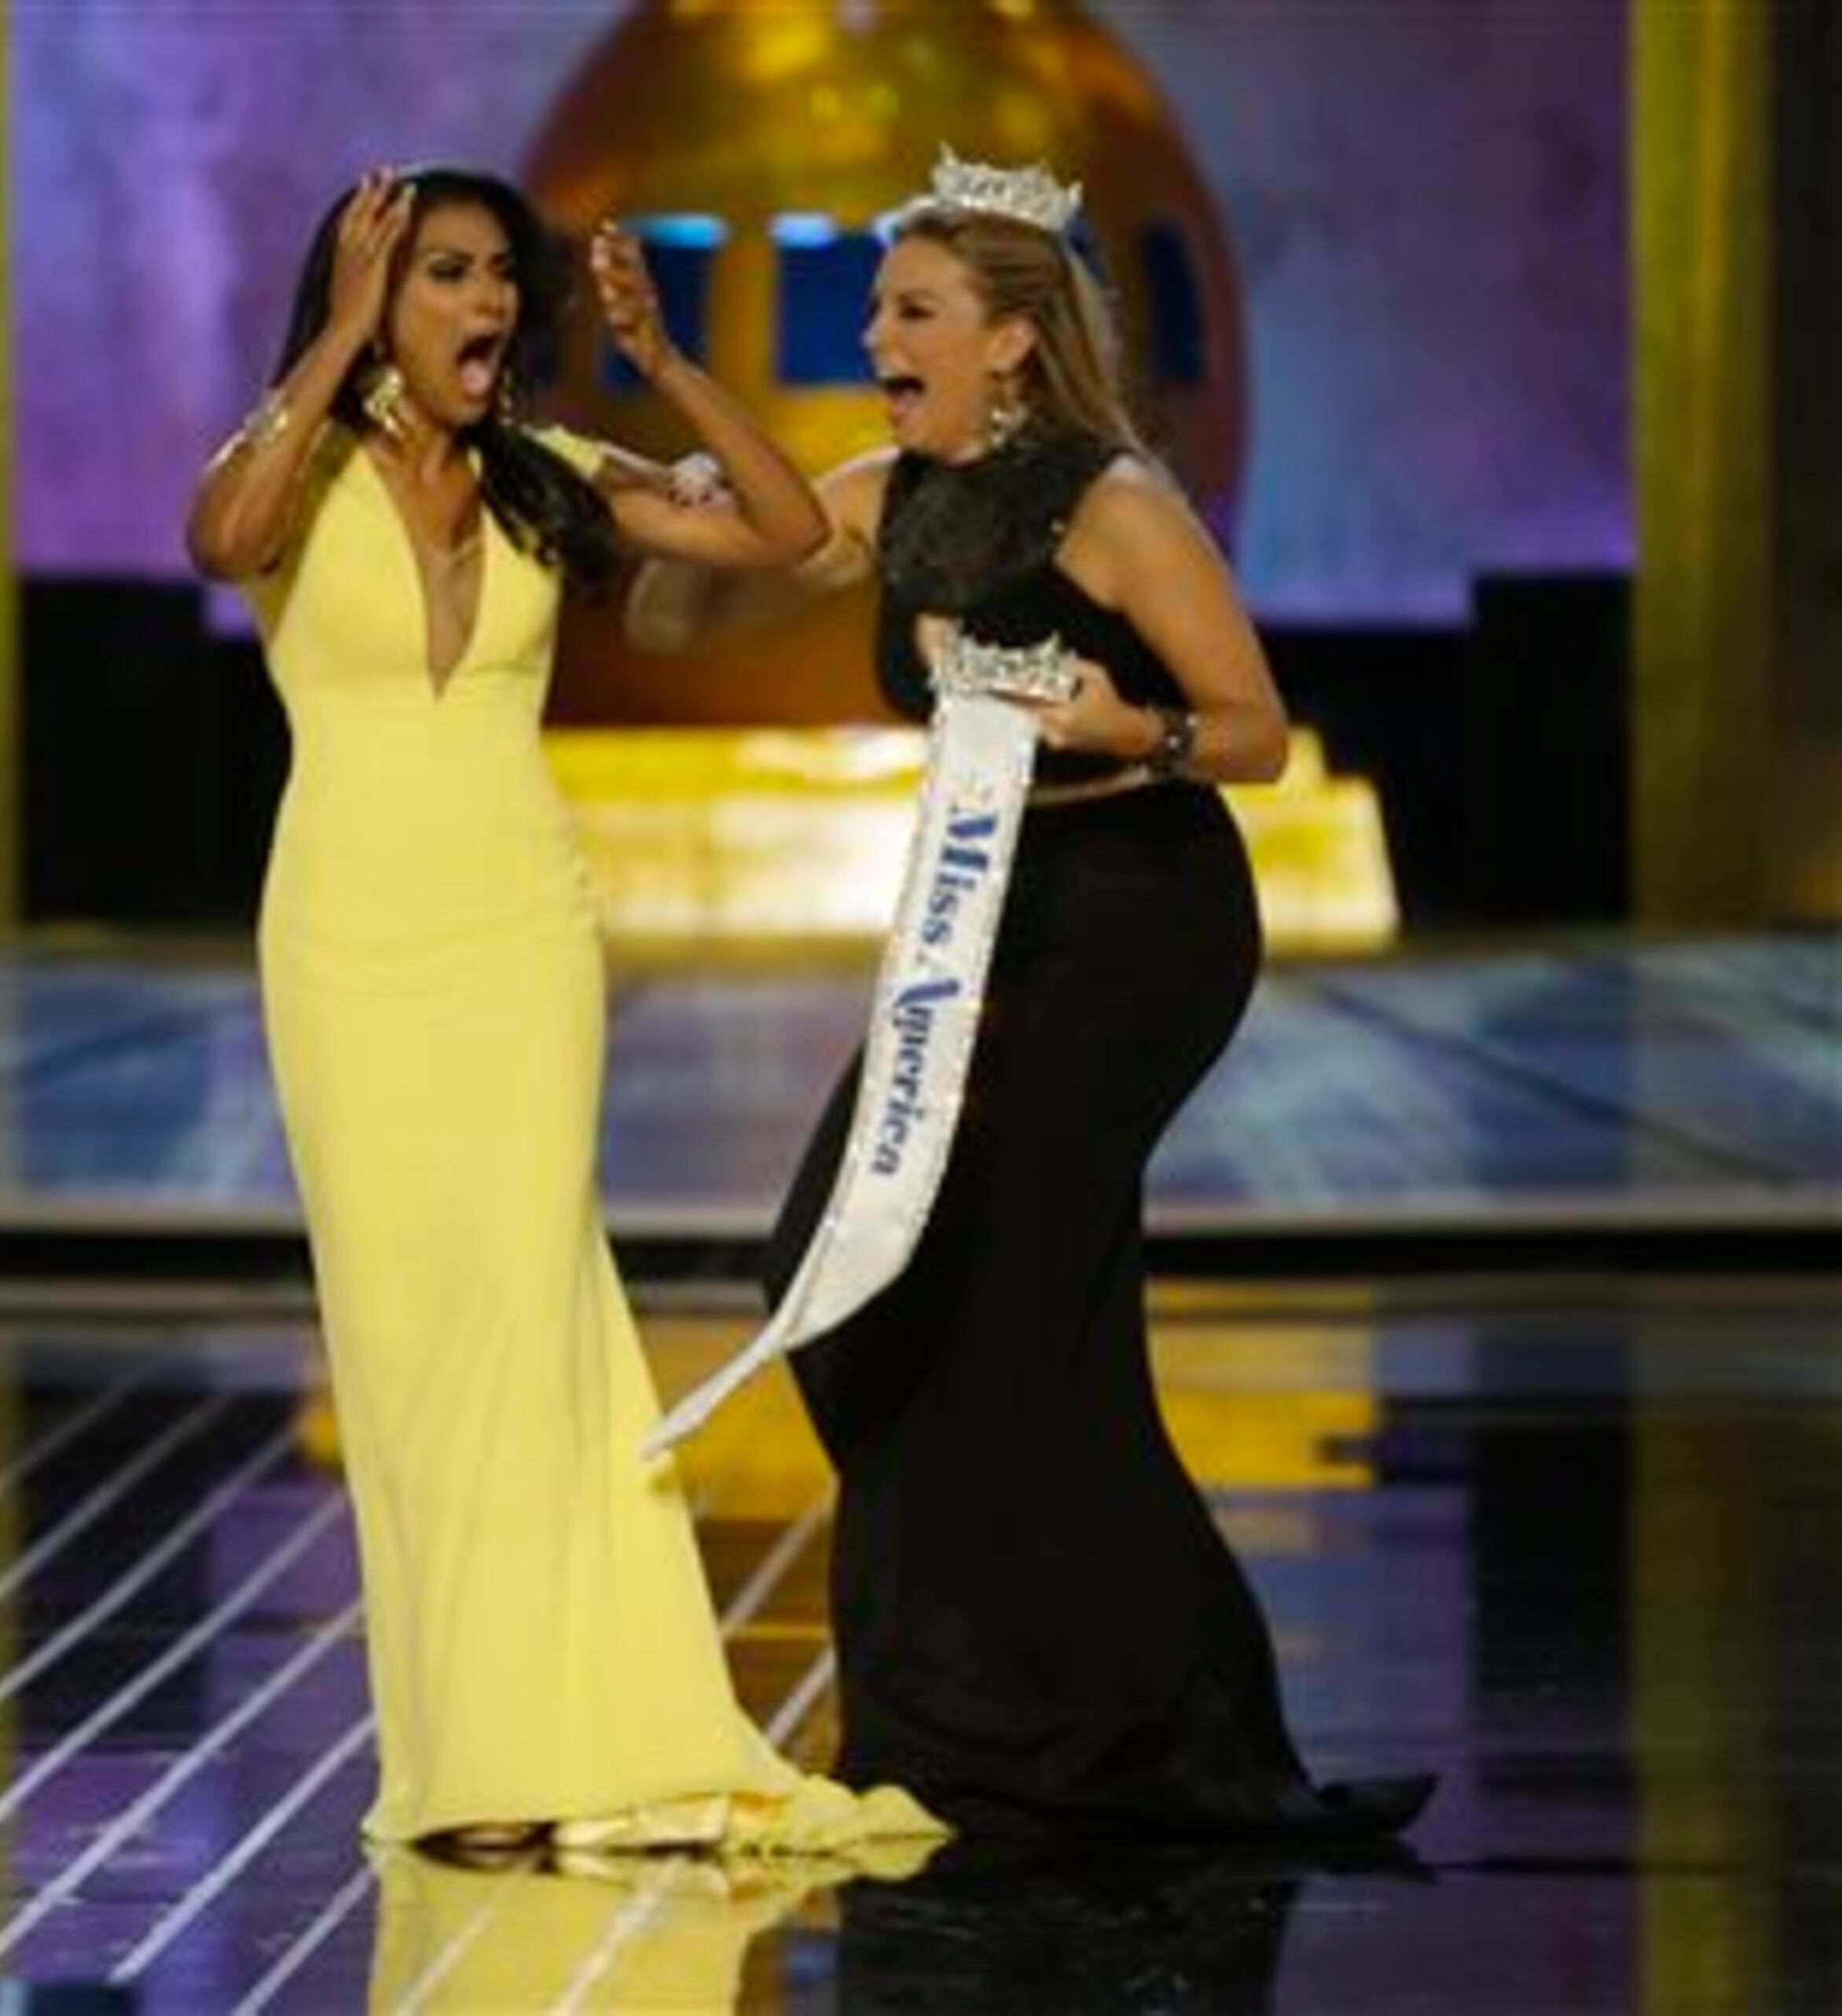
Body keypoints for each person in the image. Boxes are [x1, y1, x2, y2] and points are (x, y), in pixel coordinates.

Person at [627, 156, 1431, 1841]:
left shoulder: (1116, 503)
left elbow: (1256, 733)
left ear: (1009, 340)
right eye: (876, 312)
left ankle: (1037, 1724)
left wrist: (1115, 724)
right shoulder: (886, 485)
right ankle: (1061, 1698)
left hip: (1138, 915)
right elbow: (687, 604)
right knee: (839, 1281)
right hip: (984, 919)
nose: (875, 338)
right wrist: (684, 504)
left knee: (994, 1305)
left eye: (910, 310)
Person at [185, 165, 948, 1858]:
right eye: (446, 273)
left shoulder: (553, 480)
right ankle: (471, 1745)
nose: (488, 304)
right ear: (371, 295)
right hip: (347, 938)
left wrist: (664, 362)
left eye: (498, 279)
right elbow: (219, 542)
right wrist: (326, 345)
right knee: (402, 1338)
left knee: (532, 1315)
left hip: (519, 933)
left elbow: (789, 533)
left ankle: (576, 1726)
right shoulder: (293, 477)